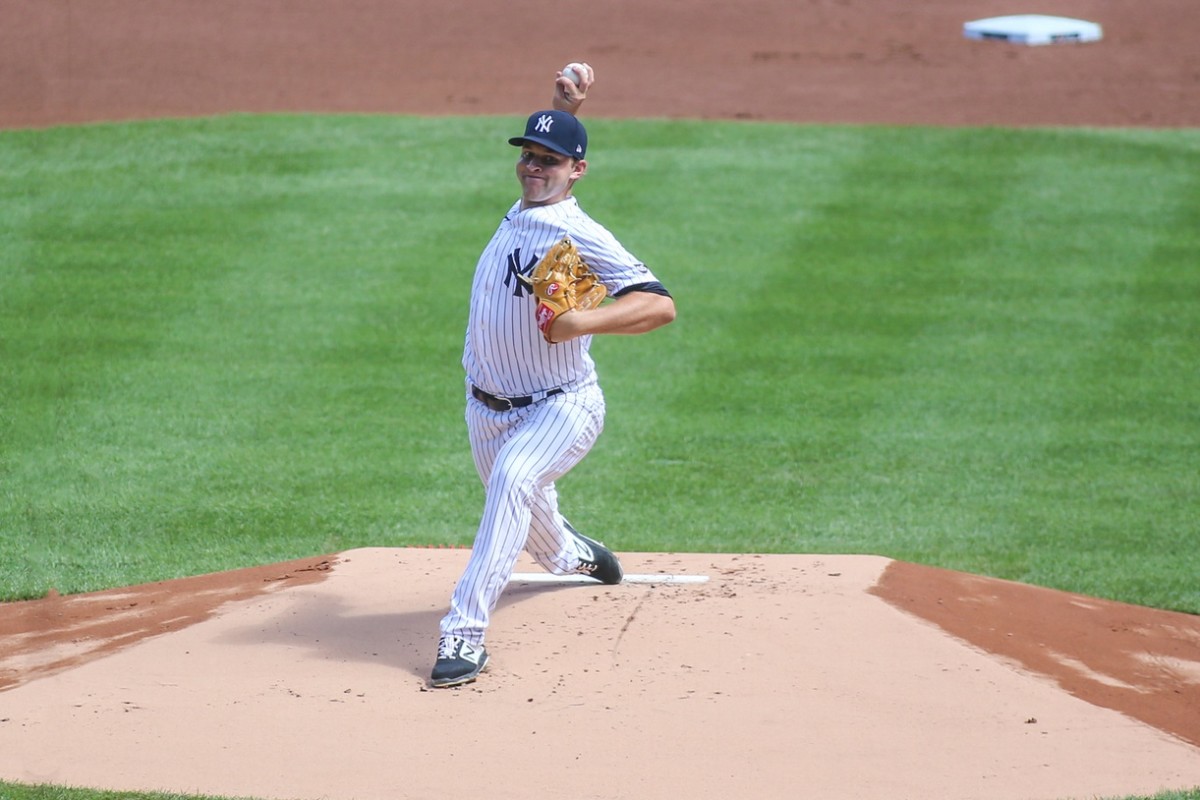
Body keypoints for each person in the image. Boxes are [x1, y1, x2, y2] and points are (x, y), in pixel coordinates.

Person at [431, 64, 677, 687]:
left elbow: (660, 304)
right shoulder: (522, 209)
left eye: (551, 160)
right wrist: (560, 109)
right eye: (529, 157)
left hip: (560, 405)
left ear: (578, 171)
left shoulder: (579, 232)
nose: (534, 167)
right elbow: (548, 154)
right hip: (486, 409)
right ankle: (568, 553)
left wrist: (582, 321)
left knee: (513, 482)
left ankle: (463, 634)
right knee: (527, 512)